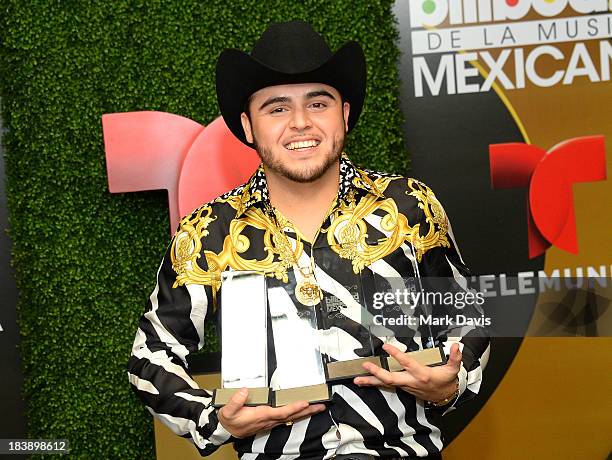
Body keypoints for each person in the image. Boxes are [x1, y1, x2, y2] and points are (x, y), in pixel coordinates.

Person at [127, 21, 489, 459]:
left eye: (318, 103)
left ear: (345, 114)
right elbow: (151, 358)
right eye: (277, 108)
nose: (300, 123)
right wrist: (213, 418)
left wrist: (453, 381)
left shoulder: (407, 207)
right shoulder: (210, 232)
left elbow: (468, 316)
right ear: (247, 125)